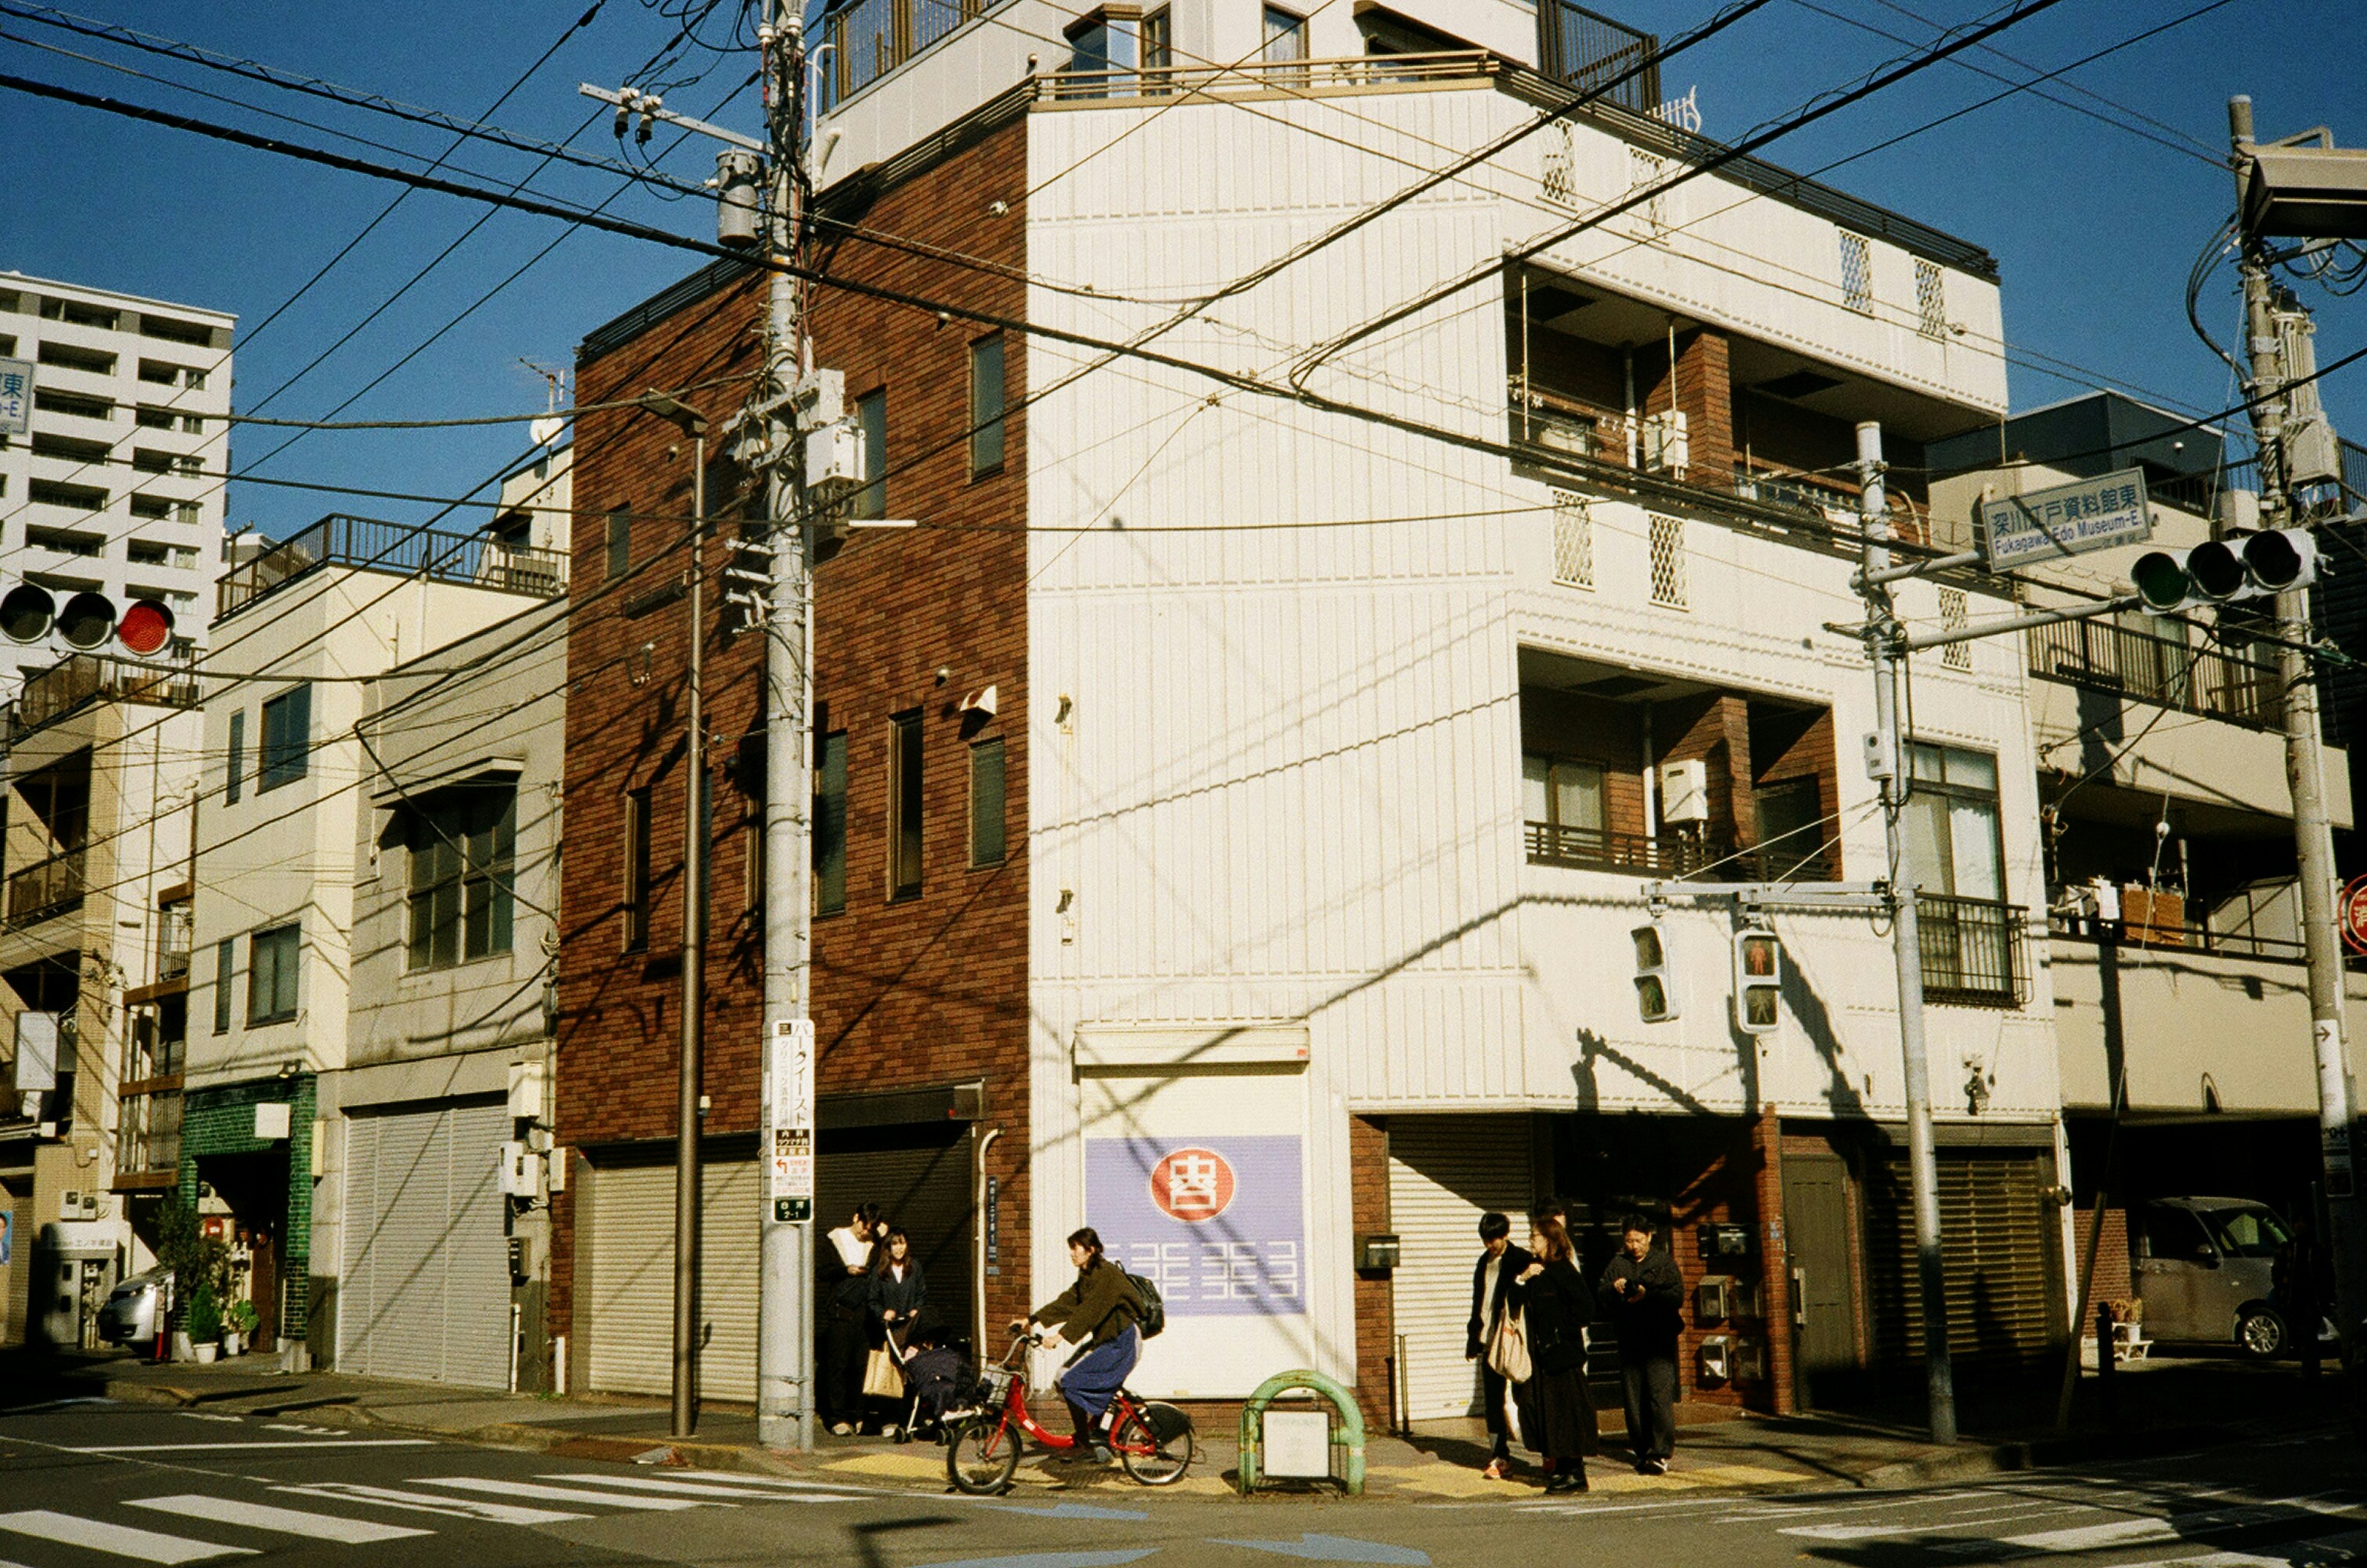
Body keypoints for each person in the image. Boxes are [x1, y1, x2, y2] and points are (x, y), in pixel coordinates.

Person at [1016, 1227, 1140, 1462]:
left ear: (1090, 1250)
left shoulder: (1107, 1275)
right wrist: (1030, 1320)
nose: (1072, 1253)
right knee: (1062, 1377)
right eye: (1071, 1249)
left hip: (1122, 1342)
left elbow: (1089, 1312)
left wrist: (1058, 1337)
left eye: (1076, 1248)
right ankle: (1095, 1435)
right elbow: (1068, 1302)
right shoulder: (1088, 1276)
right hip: (1107, 1341)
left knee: (1072, 1382)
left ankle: (1086, 1444)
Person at [1508, 1213, 1597, 1494]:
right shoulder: (1536, 1271)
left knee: (1566, 1414)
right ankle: (1560, 1466)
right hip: (1540, 1357)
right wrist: (1522, 1279)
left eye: (1535, 1236)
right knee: (1542, 1411)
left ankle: (1574, 1471)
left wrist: (1560, 1331)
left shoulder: (1564, 1272)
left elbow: (1585, 1310)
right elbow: (1513, 1300)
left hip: (1562, 1357)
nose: (1531, 1241)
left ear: (1550, 1240)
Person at [1597, 1213, 1682, 1475]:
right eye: (1629, 1241)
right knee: (1633, 1398)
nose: (1633, 1246)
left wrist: (1648, 1294)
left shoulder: (1663, 1262)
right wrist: (1614, 1288)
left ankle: (1660, 1452)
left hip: (1658, 1340)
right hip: (1630, 1338)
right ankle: (1642, 1450)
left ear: (1649, 1237)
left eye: (1638, 1240)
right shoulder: (1618, 1264)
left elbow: (1676, 1296)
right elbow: (1601, 1295)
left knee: (1659, 1396)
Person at [1466, 1211, 1533, 1481]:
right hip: (1488, 1339)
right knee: (1493, 1401)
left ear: (1505, 1234)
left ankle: (1543, 1450)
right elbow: (1478, 1302)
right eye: (1485, 1239)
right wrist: (1473, 1338)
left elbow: (1528, 1298)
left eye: (1493, 1239)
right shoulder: (1484, 1261)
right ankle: (1499, 1456)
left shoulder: (1521, 1259)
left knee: (1524, 1397)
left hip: (1513, 1340)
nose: (1489, 1244)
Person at [819, 1204, 880, 1436]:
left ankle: (859, 1416)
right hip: (841, 1312)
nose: (866, 1232)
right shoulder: (834, 1239)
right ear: (856, 1218)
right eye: (865, 1226)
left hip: (864, 1313)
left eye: (871, 1229)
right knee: (839, 1366)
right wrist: (846, 1270)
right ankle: (837, 1417)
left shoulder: (874, 1244)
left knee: (861, 1366)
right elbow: (822, 1272)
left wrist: (882, 1236)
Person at [866, 1227, 929, 1436]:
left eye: (902, 1243)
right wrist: (883, 1313)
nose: (899, 1248)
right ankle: (889, 1419)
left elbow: (921, 1294)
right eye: (895, 1244)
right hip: (890, 1331)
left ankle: (911, 1418)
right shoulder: (879, 1271)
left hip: (910, 1329)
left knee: (911, 1372)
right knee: (890, 1373)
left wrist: (916, 1309)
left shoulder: (915, 1267)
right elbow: (872, 1300)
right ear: (888, 1247)